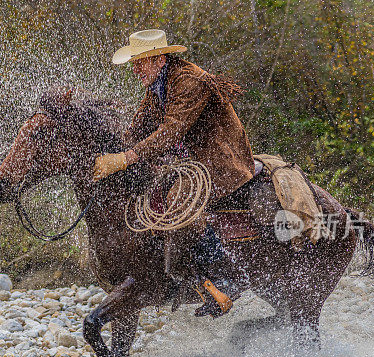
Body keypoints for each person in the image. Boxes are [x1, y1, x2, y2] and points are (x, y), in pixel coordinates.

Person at [93, 29, 256, 317]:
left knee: (180, 205)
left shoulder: (189, 81)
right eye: (134, 62)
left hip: (220, 164)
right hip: (189, 163)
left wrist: (125, 159)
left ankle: (224, 281)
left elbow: (170, 133)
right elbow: (138, 130)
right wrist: (109, 153)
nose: (135, 68)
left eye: (140, 61)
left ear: (159, 59)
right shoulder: (158, 85)